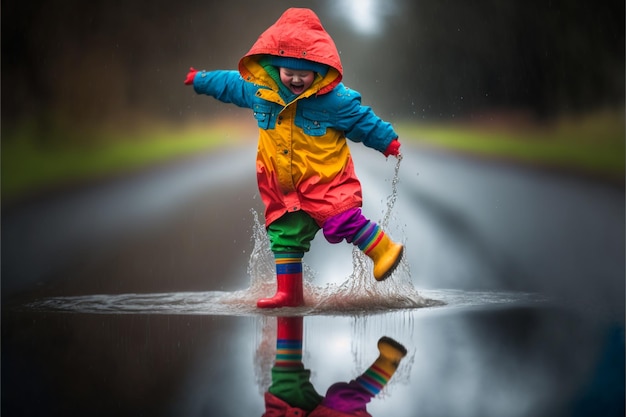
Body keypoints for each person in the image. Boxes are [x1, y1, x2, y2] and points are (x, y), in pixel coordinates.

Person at [184, 8, 404, 308]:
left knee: (342, 219)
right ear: (275, 67)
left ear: (320, 68)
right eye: (290, 73)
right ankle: (290, 294)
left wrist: (387, 140)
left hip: (325, 181)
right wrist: (200, 79)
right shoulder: (259, 90)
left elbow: (362, 120)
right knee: (284, 236)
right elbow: (228, 84)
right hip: (283, 187)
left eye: (305, 74)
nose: (297, 80)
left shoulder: (333, 100)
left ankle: (384, 250)